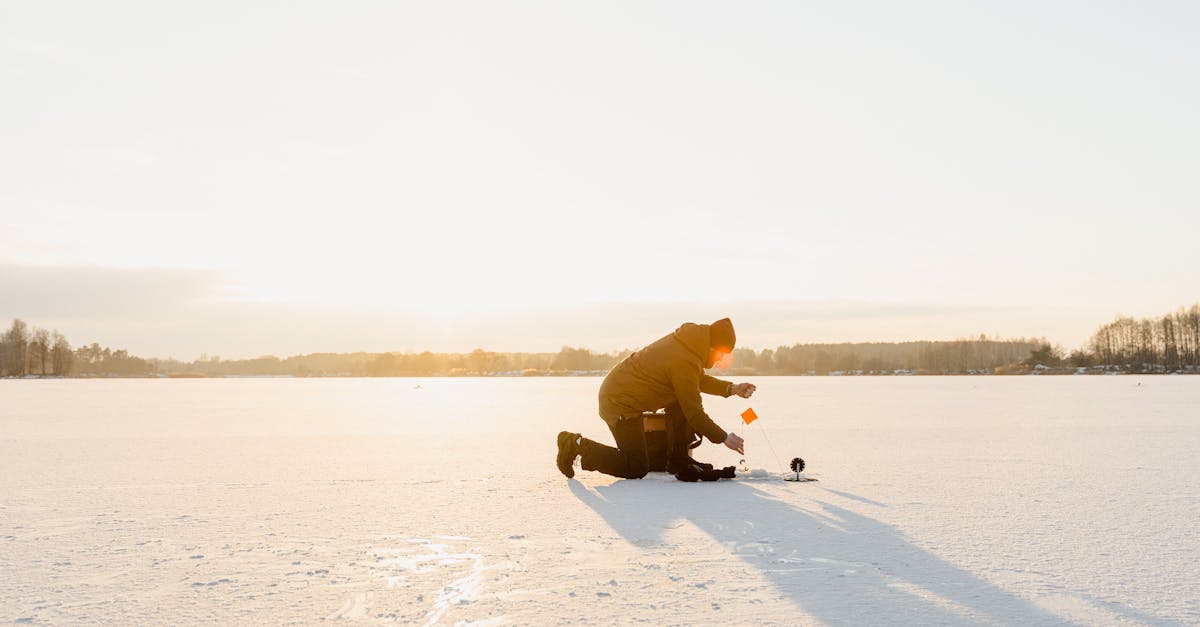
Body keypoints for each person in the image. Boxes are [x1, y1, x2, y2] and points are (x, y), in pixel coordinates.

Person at [556, 318, 756, 480]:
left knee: (680, 401)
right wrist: (724, 438)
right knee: (635, 466)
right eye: (721, 354)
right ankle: (575, 444)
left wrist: (732, 388)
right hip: (619, 402)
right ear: (712, 346)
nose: (720, 359)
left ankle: (679, 460)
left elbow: (696, 380)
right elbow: (694, 413)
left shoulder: (689, 346)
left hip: (624, 393)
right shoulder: (684, 359)